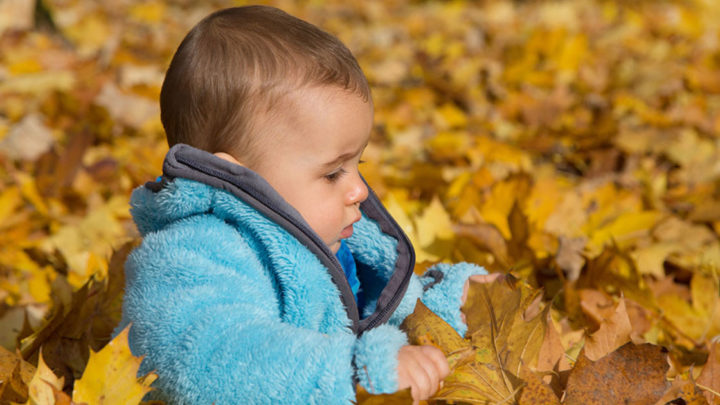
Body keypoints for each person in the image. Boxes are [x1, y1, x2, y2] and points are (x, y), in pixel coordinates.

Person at [115, 5, 494, 404]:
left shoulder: (330, 240)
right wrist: (353, 373)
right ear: (235, 178)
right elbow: (212, 358)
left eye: (357, 164)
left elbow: (377, 312)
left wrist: (450, 304)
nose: (361, 190)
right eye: (333, 173)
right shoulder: (193, 255)